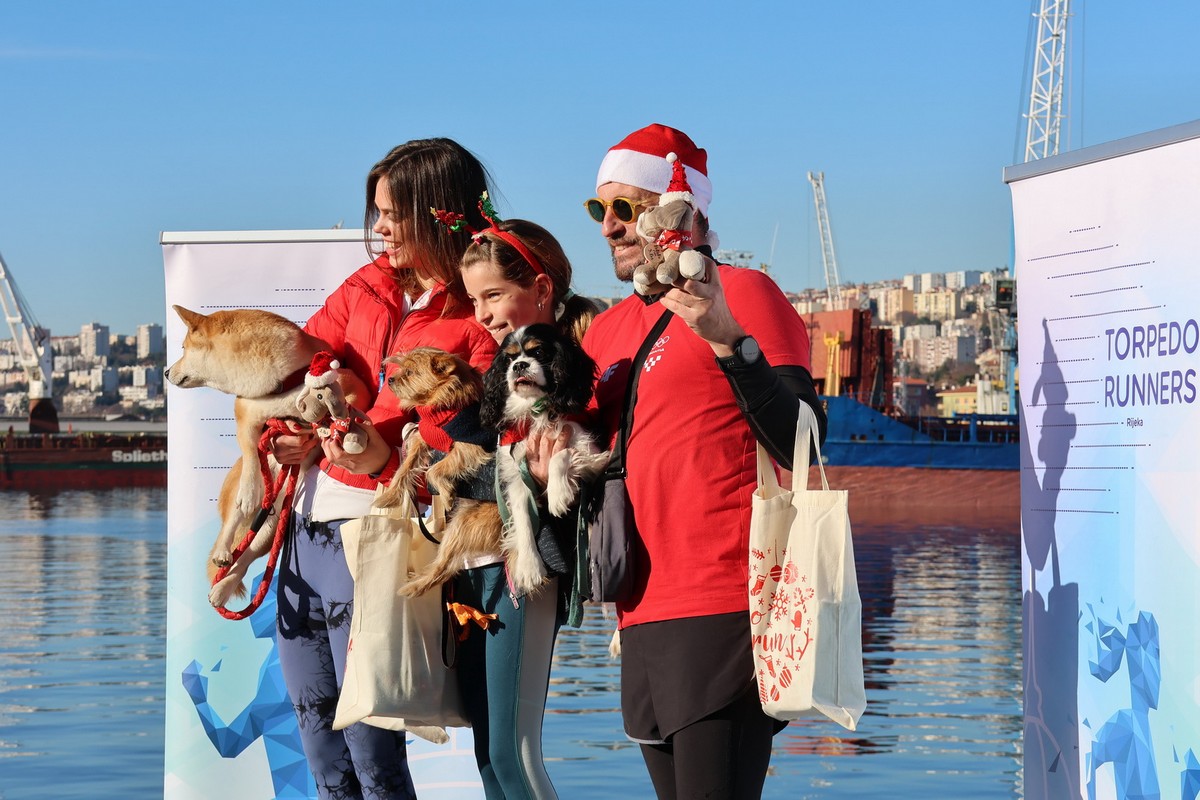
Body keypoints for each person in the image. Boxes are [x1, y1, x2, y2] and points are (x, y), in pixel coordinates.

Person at [578, 123, 827, 799]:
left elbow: (804, 438)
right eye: (598, 208)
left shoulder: (742, 291)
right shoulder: (607, 330)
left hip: (724, 598)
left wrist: (727, 340)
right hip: (637, 609)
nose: (607, 225)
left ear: (678, 210)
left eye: (624, 207)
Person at [270, 138, 498, 800]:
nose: (382, 229)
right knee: (320, 748)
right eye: (378, 212)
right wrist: (291, 431)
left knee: (373, 754)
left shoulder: (476, 318)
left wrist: (385, 460)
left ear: (438, 211)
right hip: (304, 532)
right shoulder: (364, 287)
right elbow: (295, 370)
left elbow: (473, 460)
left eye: (395, 214)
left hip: (379, 539)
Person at [452, 216, 599, 799]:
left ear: (540, 289)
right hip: (471, 568)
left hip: (525, 571)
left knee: (513, 755)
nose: (483, 314)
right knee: (488, 757)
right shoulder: (494, 377)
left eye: (492, 296)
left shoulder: (575, 375)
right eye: (474, 301)